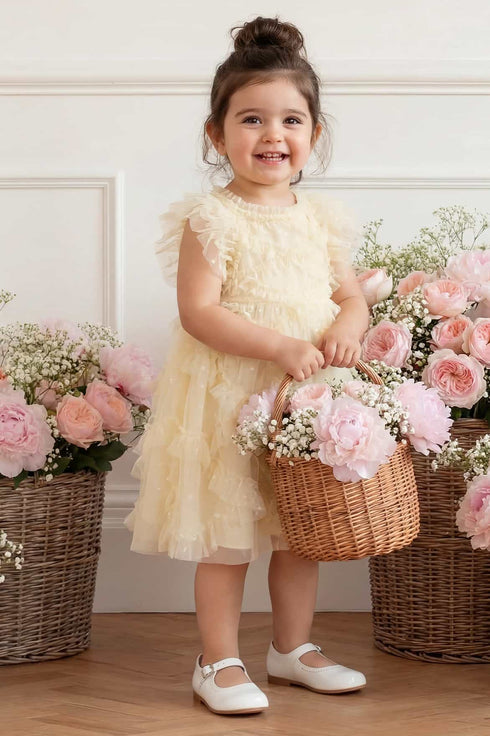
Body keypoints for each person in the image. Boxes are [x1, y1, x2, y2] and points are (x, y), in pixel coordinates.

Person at [124, 15, 370, 716]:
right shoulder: (213, 218)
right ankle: (218, 658)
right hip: (229, 396)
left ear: (314, 134)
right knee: (228, 537)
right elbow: (199, 312)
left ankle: (292, 648)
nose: (272, 135)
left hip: (302, 400)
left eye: (291, 120)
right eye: (252, 119)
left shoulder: (319, 219)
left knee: (301, 530)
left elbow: (351, 296)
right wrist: (279, 346)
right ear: (217, 134)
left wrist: (346, 327)